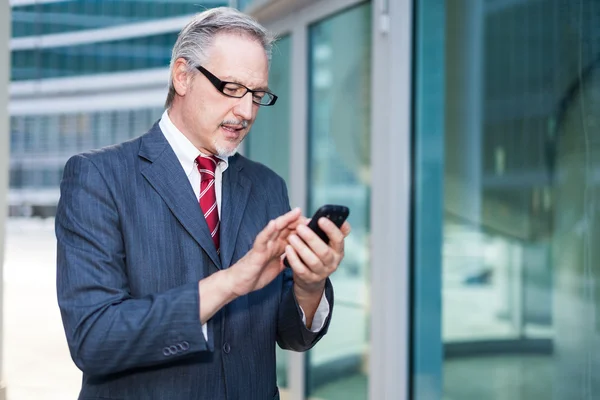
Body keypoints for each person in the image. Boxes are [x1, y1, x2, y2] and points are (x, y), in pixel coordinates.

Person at [55, 6, 350, 400]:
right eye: (231, 88)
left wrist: (309, 285)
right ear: (182, 75)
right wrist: (228, 283)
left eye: (258, 95)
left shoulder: (268, 187)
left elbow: (291, 336)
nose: (245, 112)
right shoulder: (99, 177)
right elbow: (94, 339)